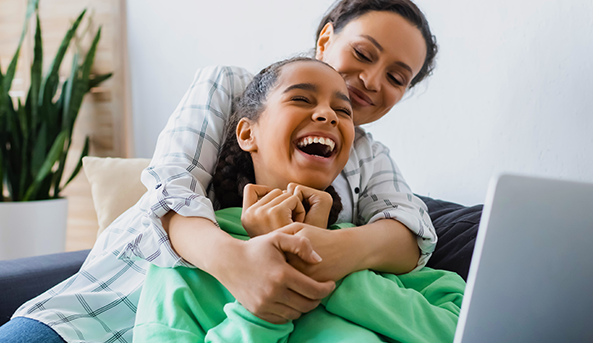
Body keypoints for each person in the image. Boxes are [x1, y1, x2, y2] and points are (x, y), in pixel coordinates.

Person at [0, 1, 439, 342]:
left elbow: (409, 234)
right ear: (326, 39)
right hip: (108, 308)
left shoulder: (369, 155)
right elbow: (171, 188)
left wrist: (318, 250)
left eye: (397, 77)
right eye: (363, 53)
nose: (371, 80)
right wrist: (239, 265)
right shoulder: (233, 87)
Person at [133, 57, 465, 343]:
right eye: (302, 99)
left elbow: (463, 326)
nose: (329, 115)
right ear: (248, 133)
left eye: (342, 109)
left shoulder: (363, 247)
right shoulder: (185, 264)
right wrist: (259, 315)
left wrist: (331, 269)